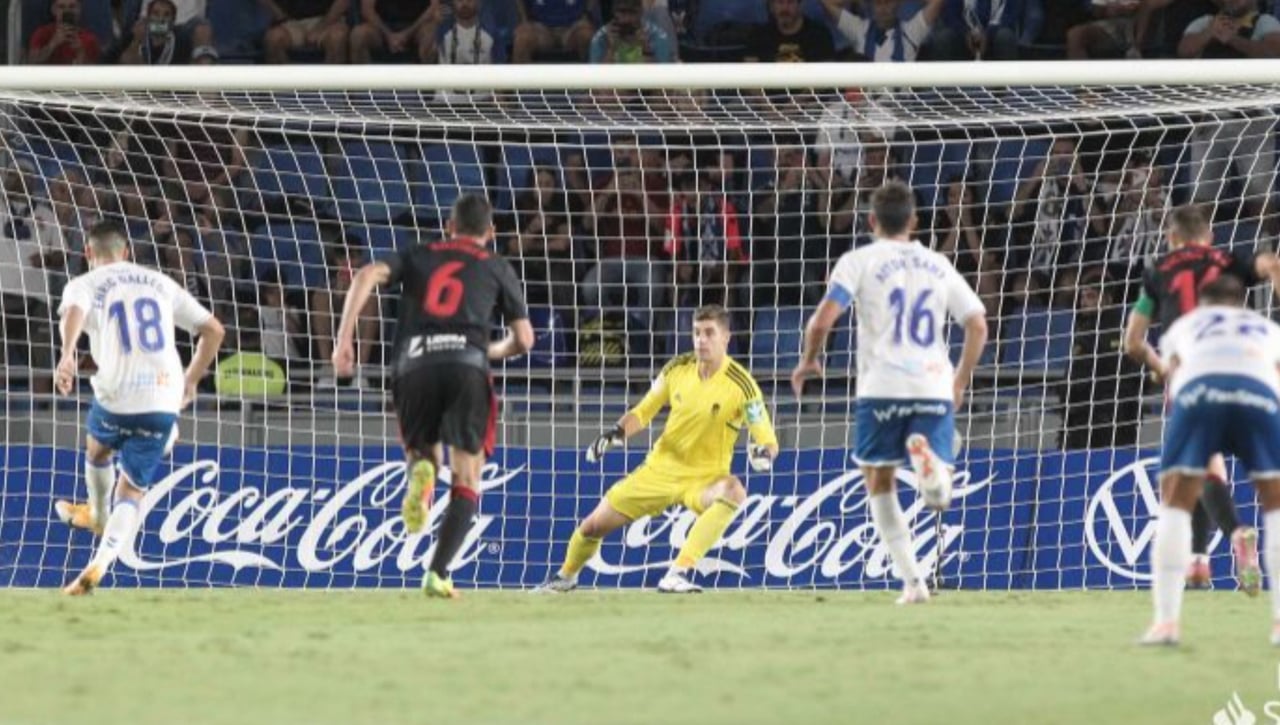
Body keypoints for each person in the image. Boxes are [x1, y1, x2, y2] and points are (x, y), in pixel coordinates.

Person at [790, 181, 988, 604]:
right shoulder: (938, 264)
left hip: (880, 388)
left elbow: (822, 320)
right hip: (933, 384)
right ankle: (932, 478)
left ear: (871, 221)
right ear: (915, 221)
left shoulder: (857, 261)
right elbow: (977, 323)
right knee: (939, 490)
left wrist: (809, 359)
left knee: (878, 480)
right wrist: (960, 381)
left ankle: (913, 582)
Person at [331, 194, 533, 599]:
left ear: (448, 225)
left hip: (414, 365)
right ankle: (437, 573)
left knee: (424, 455)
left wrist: (343, 341)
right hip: (466, 366)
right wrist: (489, 351)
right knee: (467, 474)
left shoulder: (418, 254)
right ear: (490, 234)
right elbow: (525, 340)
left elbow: (366, 274)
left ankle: (421, 474)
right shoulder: (496, 265)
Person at [538, 304, 779, 594]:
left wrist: (765, 453)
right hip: (659, 470)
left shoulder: (743, 385)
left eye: (709, 333)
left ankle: (678, 572)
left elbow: (765, 435)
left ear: (726, 337)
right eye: (696, 333)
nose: (701, 340)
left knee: (734, 491)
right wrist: (616, 433)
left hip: (704, 479)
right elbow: (643, 412)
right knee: (591, 527)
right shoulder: (676, 369)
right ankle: (566, 578)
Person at [52, 220, 226, 595]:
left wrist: (67, 356)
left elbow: (74, 313)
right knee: (131, 490)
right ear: (126, 252)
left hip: (117, 392)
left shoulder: (84, 282)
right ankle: (100, 562)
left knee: (97, 449)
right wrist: (192, 380)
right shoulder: (159, 281)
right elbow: (214, 330)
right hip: (164, 397)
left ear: (88, 253)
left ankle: (97, 514)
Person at [1123, 204, 1280, 591]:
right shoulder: (1227, 259)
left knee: (1199, 464)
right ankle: (1198, 565)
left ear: (1171, 239)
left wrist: (1160, 367)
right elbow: (1270, 264)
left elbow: (1132, 341)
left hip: (1192, 371)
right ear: (1209, 237)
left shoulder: (1158, 270)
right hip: (1248, 364)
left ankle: (1236, 533)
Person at [1139, 275, 1280, 646]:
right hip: (1259, 397)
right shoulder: (1266, 328)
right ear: (1242, 303)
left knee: (1176, 501)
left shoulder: (1185, 325)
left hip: (1200, 395)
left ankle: (1166, 623)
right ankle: (1279, 624)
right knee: (1276, 506)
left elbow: (1171, 370)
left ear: (1203, 304)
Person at [822, 0, 945, 62]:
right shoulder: (858, 29)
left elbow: (937, 2)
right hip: (865, 106)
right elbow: (827, 3)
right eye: (878, 3)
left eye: (888, 2)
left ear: (898, 3)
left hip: (899, 107)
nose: (883, 8)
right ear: (871, 5)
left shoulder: (912, 30)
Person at [351, 0, 445, 63]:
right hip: (381, 28)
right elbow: (367, 10)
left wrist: (406, 34)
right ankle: (363, 88)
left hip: (417, 27)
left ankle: (428, 89)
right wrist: (389, 35)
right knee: (359, 35)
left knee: (430, 35)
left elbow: (434, 8)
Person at [261, 0, 352, 64]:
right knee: (273, 38)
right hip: (292, 21)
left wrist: (320, 28)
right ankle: (287, 88)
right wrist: (281, 17)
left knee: (337, 37)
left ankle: (331, 89)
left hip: (328, 20)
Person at [744, 0, 836, 61]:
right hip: (769, 90)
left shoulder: (819, 35)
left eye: (790, 2)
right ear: (771, 6)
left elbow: (826, 76)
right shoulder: (758, 35)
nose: (785, 8)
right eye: (780, 2)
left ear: (800, 6)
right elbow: (748, 76)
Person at [589, 0, 676, 62]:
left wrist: (646, 50)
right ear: (614, 11)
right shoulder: (601, 38)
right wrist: (611, 49)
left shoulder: (657, 36)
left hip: (644, 87)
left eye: (632, 12)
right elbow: (598, 86)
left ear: (641, 12)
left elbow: (661, 85)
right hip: (614, 86)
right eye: (622, 12)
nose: (627, 19)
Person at [512, 0, 598, 62]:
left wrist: (587, 14)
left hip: (573, 26)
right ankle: (523, 86)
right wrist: (524, 19)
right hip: (540, 27)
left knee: (586, 36)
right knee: (522, 39)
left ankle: (589, 85)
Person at [28, 0, 102, 65]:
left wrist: (80, 52)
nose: (67, 11)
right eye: (61, 7)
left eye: (72, 6)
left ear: (79, 9)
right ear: (53, 10)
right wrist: (52, 44)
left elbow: (96, 74)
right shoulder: (42, 33)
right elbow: (31, 62)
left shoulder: (90, 39)